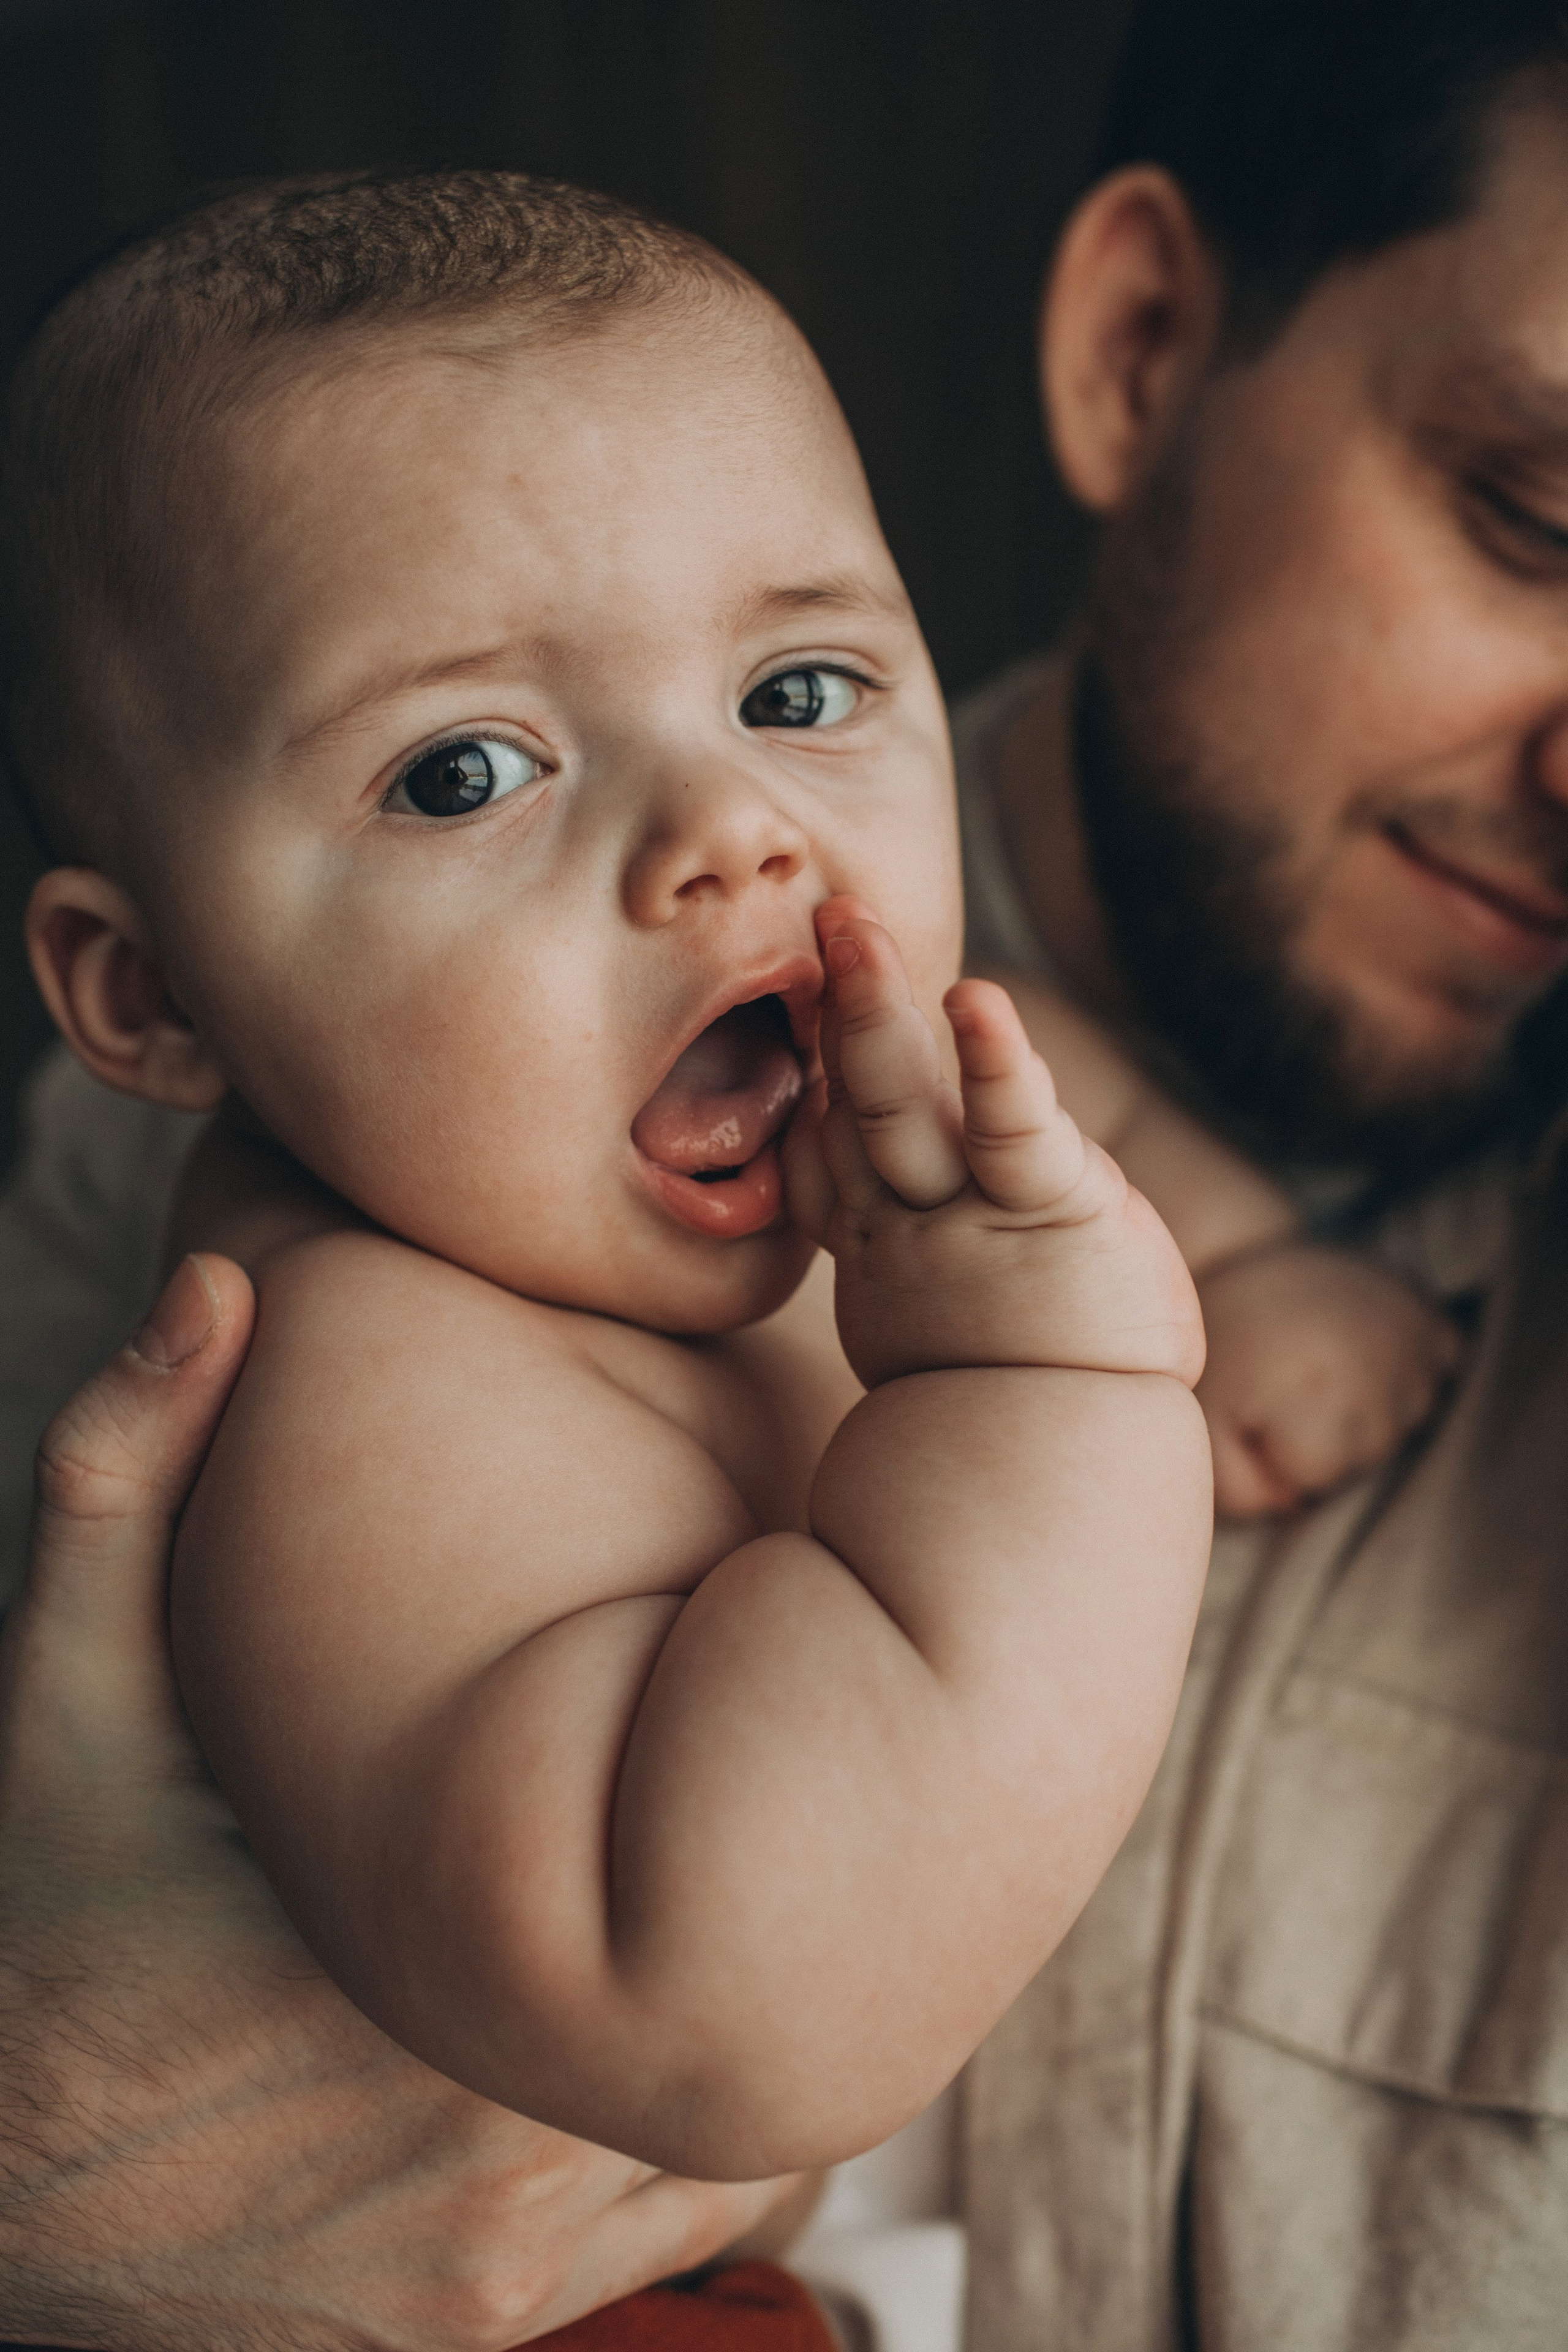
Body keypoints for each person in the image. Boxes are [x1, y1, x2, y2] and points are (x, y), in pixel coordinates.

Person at [7, 0, 1568, 2338]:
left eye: (802, 695)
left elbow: (1040, 1143)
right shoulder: (357, 1386)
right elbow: (736, 2007)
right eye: (461, 774)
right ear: (151, 1007)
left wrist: (1205, 1253)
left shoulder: (709, 1101)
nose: (734, 830)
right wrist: (1055, 1402)